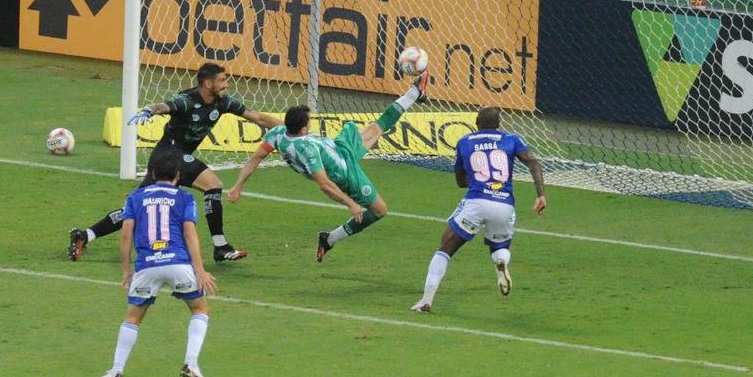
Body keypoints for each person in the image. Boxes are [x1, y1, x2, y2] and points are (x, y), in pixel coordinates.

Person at [69, 62, 280, 263]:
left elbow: (258, 118)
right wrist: (148, 110)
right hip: (167, 155)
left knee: (138, 206)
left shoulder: (223, 102)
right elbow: (163, 106)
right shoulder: (186, 101)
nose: (226, 85)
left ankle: (85, 235)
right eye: (222, 80)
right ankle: (220, 246)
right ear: (208, 84)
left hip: (174, 156)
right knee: (213, 185)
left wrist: (289, 127)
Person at [226, 71, 430, 261]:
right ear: (304, 129)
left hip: (339, 148)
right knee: (379, 210)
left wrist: (237, 186)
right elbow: (324, 184)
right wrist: (350, 203)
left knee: (376, 128)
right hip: (345, 174)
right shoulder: (307, 150)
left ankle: (415, 92)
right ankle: (330, 239)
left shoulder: (279, 132)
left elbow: (256, 156)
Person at [97, 147, 218, 377]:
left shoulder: (135, 197)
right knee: (199, 310)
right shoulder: (185, 198)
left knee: (133, 317)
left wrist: (126, 270)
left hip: (147, 265)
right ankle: (191, 363)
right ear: (177, 176)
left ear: (152, 173)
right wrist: (200, 270)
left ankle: (116, 371)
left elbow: (125, 234)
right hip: (178, 263)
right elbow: (190, 233)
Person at [411, 106, 546, 313]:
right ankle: (500, 262)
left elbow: (460, 181)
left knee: (445, 248)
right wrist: (540, 194)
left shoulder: (464, 142)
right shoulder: (511, 139)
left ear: (476, 122)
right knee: (500, 247)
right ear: (499, 124)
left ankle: (426, 301)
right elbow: (533, 163)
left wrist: (477, 179)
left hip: (477, 201)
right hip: (504, 204)